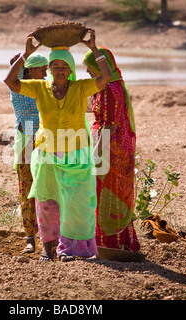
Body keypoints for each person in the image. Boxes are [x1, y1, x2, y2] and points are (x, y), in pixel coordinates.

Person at [4, 29, 112, 262]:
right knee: (47, 203)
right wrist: (26, 54)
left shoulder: (80, 88)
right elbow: (10, 82)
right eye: (55, 67)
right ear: (50, 70)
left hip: (76, 156)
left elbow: (105, 79)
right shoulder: (40, 88)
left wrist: (94, 50)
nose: (59, 71)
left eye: (64, 67)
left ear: (71, 70)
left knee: (77, 203)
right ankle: (47, 248)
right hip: (46, 154)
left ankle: (72, 250)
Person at [83, 46, 140, 252]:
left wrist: (97, 153)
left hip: (108, 148)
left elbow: (108, 125)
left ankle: (107, 243)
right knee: (114, 193)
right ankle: (119, 241)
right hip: (116, 148)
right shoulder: (117, 84)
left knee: (104, 192)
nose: (88, 71)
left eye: (90, 67)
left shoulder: (108, 89)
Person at [8, 52, 48, 254]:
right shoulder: (19, 87)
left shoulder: (46, 87)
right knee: (27, 191)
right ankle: (30, 238)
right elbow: (11, 75)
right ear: (30, 69)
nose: (46, 73)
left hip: (45, 142)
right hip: (26, 144)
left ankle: (46, 238)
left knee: (45, 190)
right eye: (43, 70)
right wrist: (25, 54)